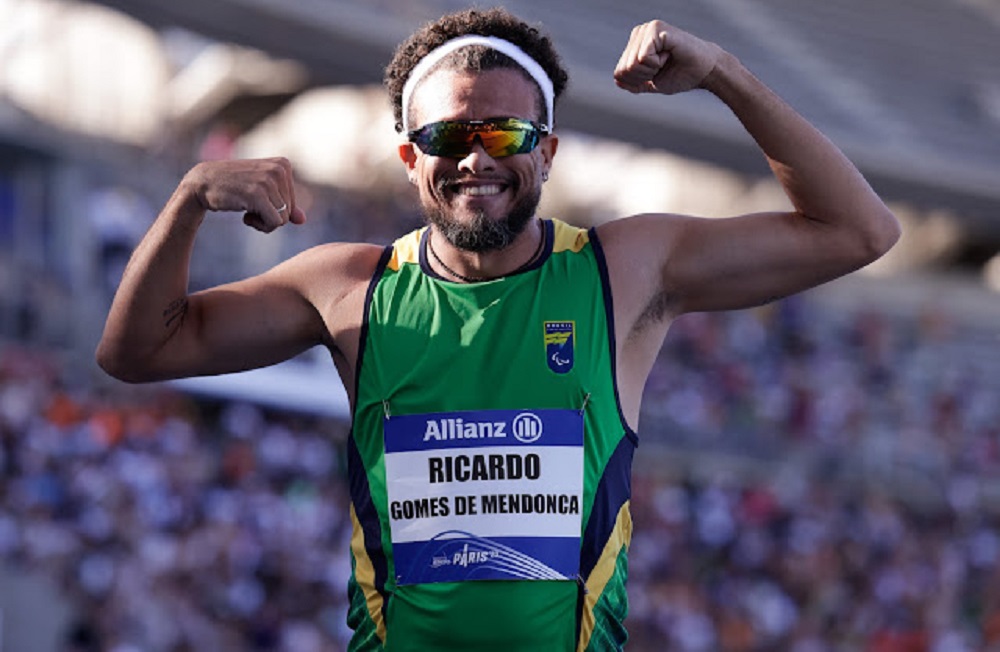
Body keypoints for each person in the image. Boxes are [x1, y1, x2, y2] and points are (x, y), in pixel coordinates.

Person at [96, 7, 900, 651]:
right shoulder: (350, 288)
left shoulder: (622, 271)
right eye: (448, 136)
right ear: (410, 159)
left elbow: (860, 232)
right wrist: (190, 198)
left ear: (547, 153)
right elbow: (136, 351)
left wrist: (724, 73)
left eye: (506, 134)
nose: (477, 158)